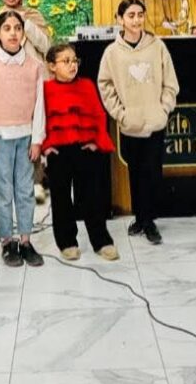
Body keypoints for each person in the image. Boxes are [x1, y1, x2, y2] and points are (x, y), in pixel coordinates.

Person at [97, 0, 179, 245]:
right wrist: (121, 114)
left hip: (155, 122)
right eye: (131, 15)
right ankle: (139, 218)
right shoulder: (112, 52)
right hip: (130, 124)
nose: (136, 20)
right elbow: (105, 85)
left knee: (153, 172)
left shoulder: (157, 46)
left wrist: (163, 109)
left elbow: (170, 83)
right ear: (120, 19)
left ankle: (150, 220)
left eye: (140, 15)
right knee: (135, 172)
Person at [0, 10, 46, 268]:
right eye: (7, 28)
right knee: (2, 191)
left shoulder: (34, 65)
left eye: (17, 28)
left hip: (26, 137)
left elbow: (39, 105)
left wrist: (37, 139)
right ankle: (8, 241)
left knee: (26, 190)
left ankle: (26, 240)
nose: (13, 33)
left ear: (24, 33)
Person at [42, 43, 118, 261]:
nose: (72, 65)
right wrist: (46, 146)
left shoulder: (86, 85)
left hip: (85, 149)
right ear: (52, 66)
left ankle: (101, 240)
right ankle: (67, 242)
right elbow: (39, 119)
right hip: (59, 151)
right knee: (61, 198)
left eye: (75, 60)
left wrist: (95, 142)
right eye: (66, 61)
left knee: (92, 196)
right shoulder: (45, 89)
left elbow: (99, 115)